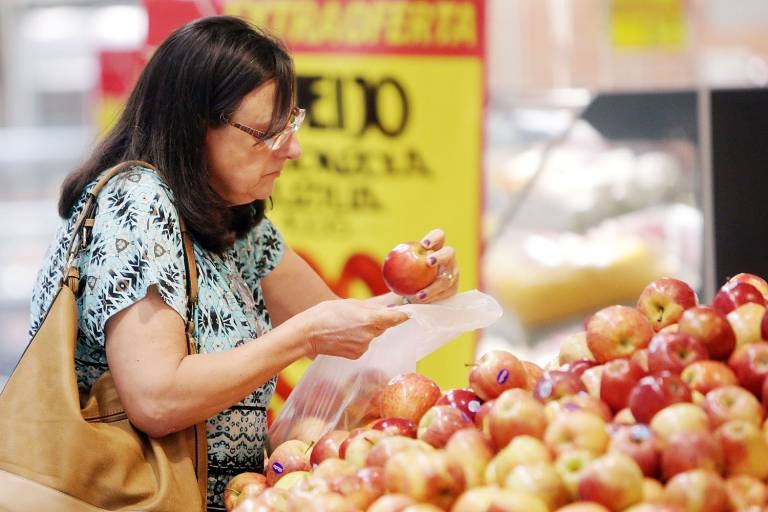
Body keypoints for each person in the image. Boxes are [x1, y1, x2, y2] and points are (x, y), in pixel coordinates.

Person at [28, 15, 459, 511]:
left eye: (290, 125)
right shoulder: (137, 201)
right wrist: (300, 337)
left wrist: (423, 289)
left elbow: (350, 337)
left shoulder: (234, 223)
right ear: (194, 127)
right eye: (266, 133)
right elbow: (155, 399)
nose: (291, 149)